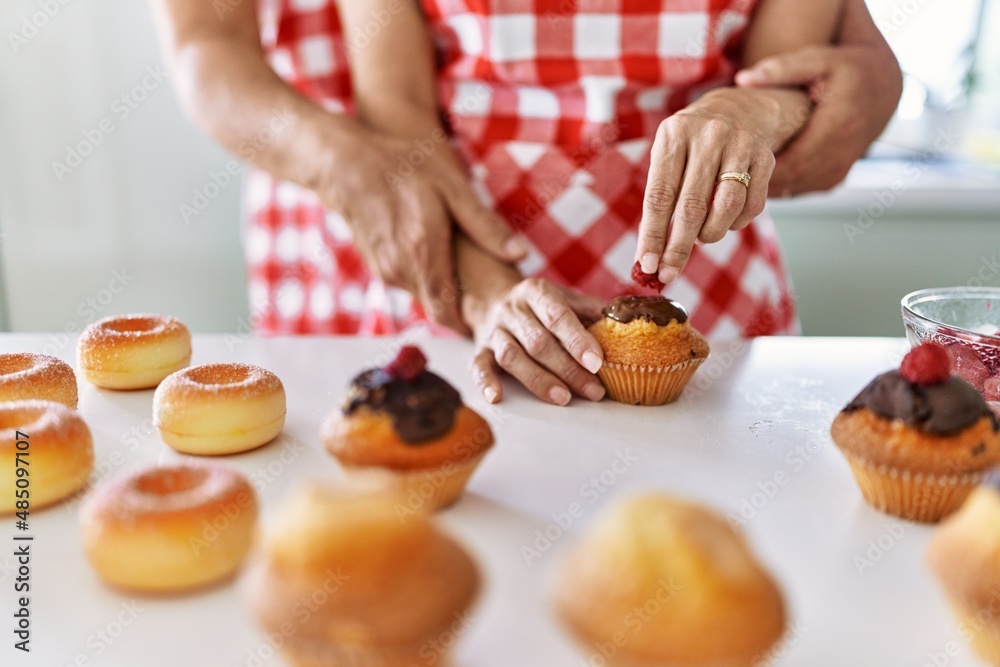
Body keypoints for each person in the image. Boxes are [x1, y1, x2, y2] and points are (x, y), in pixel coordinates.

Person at [152, 0, 901, 405]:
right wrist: (485, 292)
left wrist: (762, 114)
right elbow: (394, 108)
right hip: (450, 264)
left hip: (703, 273)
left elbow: (793, 66)